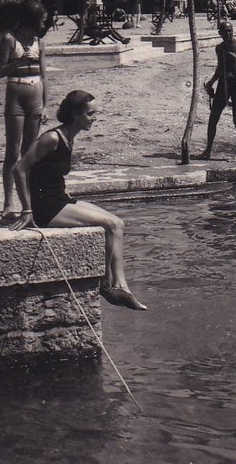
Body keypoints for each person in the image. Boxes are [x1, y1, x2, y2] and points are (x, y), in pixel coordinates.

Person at [12, 90, 145, 310]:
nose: (95, 118)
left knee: (118, 223)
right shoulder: (52, 138)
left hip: (60, 199)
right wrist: (27, 210)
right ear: (75, 114)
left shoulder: (68, 137)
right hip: (47, 207)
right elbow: (20, 168)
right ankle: (106, 285)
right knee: (110, 224)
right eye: (90, 114)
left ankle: (119, 285)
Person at [0, 0, 49, 221]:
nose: (44, 24)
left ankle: (27, 202)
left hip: (35, 93)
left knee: (30, 153)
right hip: (16, 94)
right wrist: (18, 62)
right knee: (13, 150)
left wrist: (47, 104)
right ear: (32, 19)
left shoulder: (40, 43)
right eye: (42, 20)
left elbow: (44, 75)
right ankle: (8, 202)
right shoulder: (10, 39)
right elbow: (1, 71)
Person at [198, 21, 236, 160]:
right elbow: (219, 68)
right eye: (225, 32)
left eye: (230, 31)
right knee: (213, 118)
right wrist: (211, 82)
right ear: (220, 33)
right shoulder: (219, 48)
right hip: (223, 84)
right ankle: (208, 150)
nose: (228, 34)